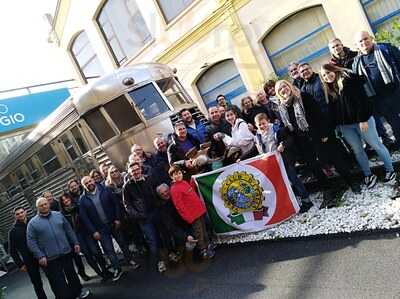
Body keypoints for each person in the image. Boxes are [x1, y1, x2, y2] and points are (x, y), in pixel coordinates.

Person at [275, 80, 358, 208]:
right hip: (303, 142)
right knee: (315, 167)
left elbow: (318, 114)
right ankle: (328, 189)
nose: (283, 89)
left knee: (334, 159)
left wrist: (324, 133)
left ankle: (351, 182)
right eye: (280, 89)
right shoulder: (282, 108)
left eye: (285, 86)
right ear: (278, 93)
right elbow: (287, 128)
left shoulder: (302, 97)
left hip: (318, 136)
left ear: (290, 86)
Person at [320, 63, 395, 187]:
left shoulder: (349, 80)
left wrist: (363, 119)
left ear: (334, 69)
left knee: (376, 145)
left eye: (328, 72)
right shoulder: (329, 89)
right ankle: (368, 175)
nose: (327, 76)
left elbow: (362, 100)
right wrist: (335, 127)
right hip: (346, 126)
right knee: (358, 151)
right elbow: (333, 111)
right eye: (324, 75)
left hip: (362, 121)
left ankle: (390, 170)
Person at [79, 176, 139, 282]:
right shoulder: (83, 200)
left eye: (90, 181)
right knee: (109, 250)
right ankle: (117, 268)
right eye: (86, 183)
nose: (89, 184)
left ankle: (130, 260)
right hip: (100, 229)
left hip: (113, 223)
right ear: (84, 186)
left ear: (93, 180)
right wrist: (94, 231)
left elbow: (115, 204)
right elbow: (85, 218)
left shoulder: (105, 189)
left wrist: (117, 219)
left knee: (122, 243)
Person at [27, 197, 89, 299]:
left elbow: (69, 230)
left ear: (48, 204)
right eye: (41, 205)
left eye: (45, 204)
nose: (44, 206)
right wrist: (40, 256)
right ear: (37, 208)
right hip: (50, 258)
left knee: (72, 275)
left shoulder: (58, 215)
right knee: (58, 282)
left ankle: (78, 293)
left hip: (66, 252)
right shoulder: (32, 223)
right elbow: (31, 242)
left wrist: (76, 243)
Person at [254, 113, 312, 212]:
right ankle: (292, 202)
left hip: (285, 159)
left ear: (268, 121)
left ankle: (307, 200)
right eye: (259, 125)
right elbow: (255, 148)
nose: (262, 126)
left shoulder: (277, 129)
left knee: (293, 178)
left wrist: (283, 145)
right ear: (256, 125)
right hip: (272, 162)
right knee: (282, 183)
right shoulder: (258, 135)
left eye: (263, 123)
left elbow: (290, 139)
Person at [353, 30, 400, 149]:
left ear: (371, 38)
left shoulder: (386, 49)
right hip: (381, 100)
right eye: (360, 41)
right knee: (395, 124)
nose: (364, 42)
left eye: (365, 38)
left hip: (396, 91)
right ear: (357, 45)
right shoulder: (356, 63)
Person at [122, 162, 164, 272]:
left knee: (163, 235)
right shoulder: (127, 187)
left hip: (156, 212)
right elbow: (127, 205)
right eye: (133, 171)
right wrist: (138, 215)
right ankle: (160, 261)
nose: (136, 172)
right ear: (130, 173)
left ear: (140, 169)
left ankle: (168, 255)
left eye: (137, 169)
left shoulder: (149, 179)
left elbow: (158, 192)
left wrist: (159, 206)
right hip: (144, 219)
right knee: (152, 241)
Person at [59, 193, 111, 281]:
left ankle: (105, 270)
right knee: (88, 255)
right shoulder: (62, 214)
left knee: (96, 251)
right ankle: (101, 274)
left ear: (70, 198)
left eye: (66, 198)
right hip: (77, 236)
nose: (66, 201)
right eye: (63, 200)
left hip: (87, 232)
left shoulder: (79, 206)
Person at [168, 165, 214, 259]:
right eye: (175, 174)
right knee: (198, 232)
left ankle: (207, 245)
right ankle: (203, 250)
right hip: (193, 215)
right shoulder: (174, 189)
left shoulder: (184, 182)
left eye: (179, 173)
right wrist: (188, 217)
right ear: (172, 177)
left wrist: (193, 183)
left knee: (203, 230)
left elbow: (191, 192)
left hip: (199, 211)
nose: (178, 175)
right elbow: (179, 207)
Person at [9, 206, 48, 299]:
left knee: (52, 277)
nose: (20, 215)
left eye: (21, 212)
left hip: (42, 255)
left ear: (25, 212)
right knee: (37, 284)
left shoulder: (34, 222)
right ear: (15, 216)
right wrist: (20, 264)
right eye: (17, 214)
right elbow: (12, 251)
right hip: (29, 261)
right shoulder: (13, 231)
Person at [156, 183, 192, 262]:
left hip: (184, 223)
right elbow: (171, 227)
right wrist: (186, 237)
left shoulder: (177, 197)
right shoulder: (162, 209)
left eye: (166, 191)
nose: (165, 194)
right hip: (173, 229)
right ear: (160, 196)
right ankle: (174, 252)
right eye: (162, 194)